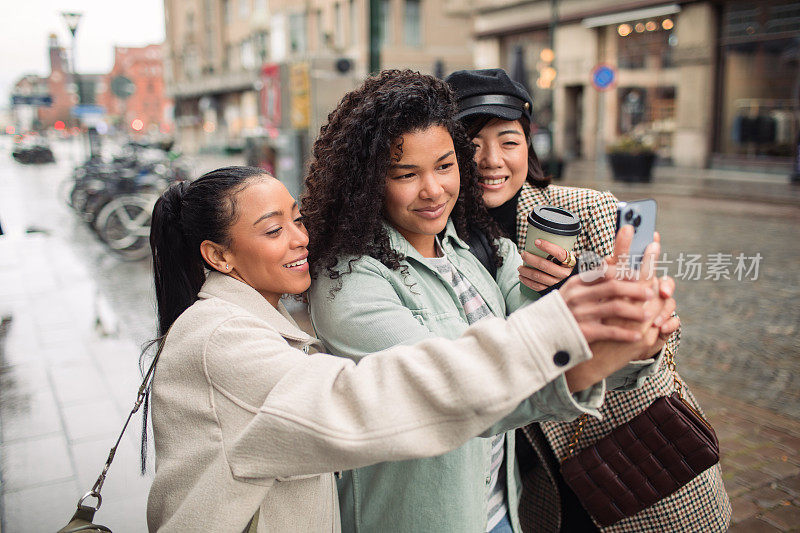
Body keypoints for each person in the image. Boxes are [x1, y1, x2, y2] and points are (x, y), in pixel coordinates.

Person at [145, 166, 659, 532]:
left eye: (298, 220)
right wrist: (558, 330)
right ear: (217, 255)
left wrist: (601, 349)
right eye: (274, 230)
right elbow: (365, 399)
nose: (301, 238)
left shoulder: (469, 249)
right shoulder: (221, 341)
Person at [303, 70, 674, 533]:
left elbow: (543, 334)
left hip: (502, 512)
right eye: (405, 174)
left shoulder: (475, 249)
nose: (433, 190)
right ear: (366, 182)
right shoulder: (349, 281)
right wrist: (586, 355)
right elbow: (444, 392)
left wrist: (636, 339)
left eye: (444, 165)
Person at [446, 67, 731, 532]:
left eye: (508, 141)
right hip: (539, 481)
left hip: (636, 454)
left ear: (528, 143)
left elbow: (665, 335)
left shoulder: (598, 208)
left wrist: (580, 289)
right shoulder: (442, 236)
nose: (490, 160)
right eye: (471, 145)